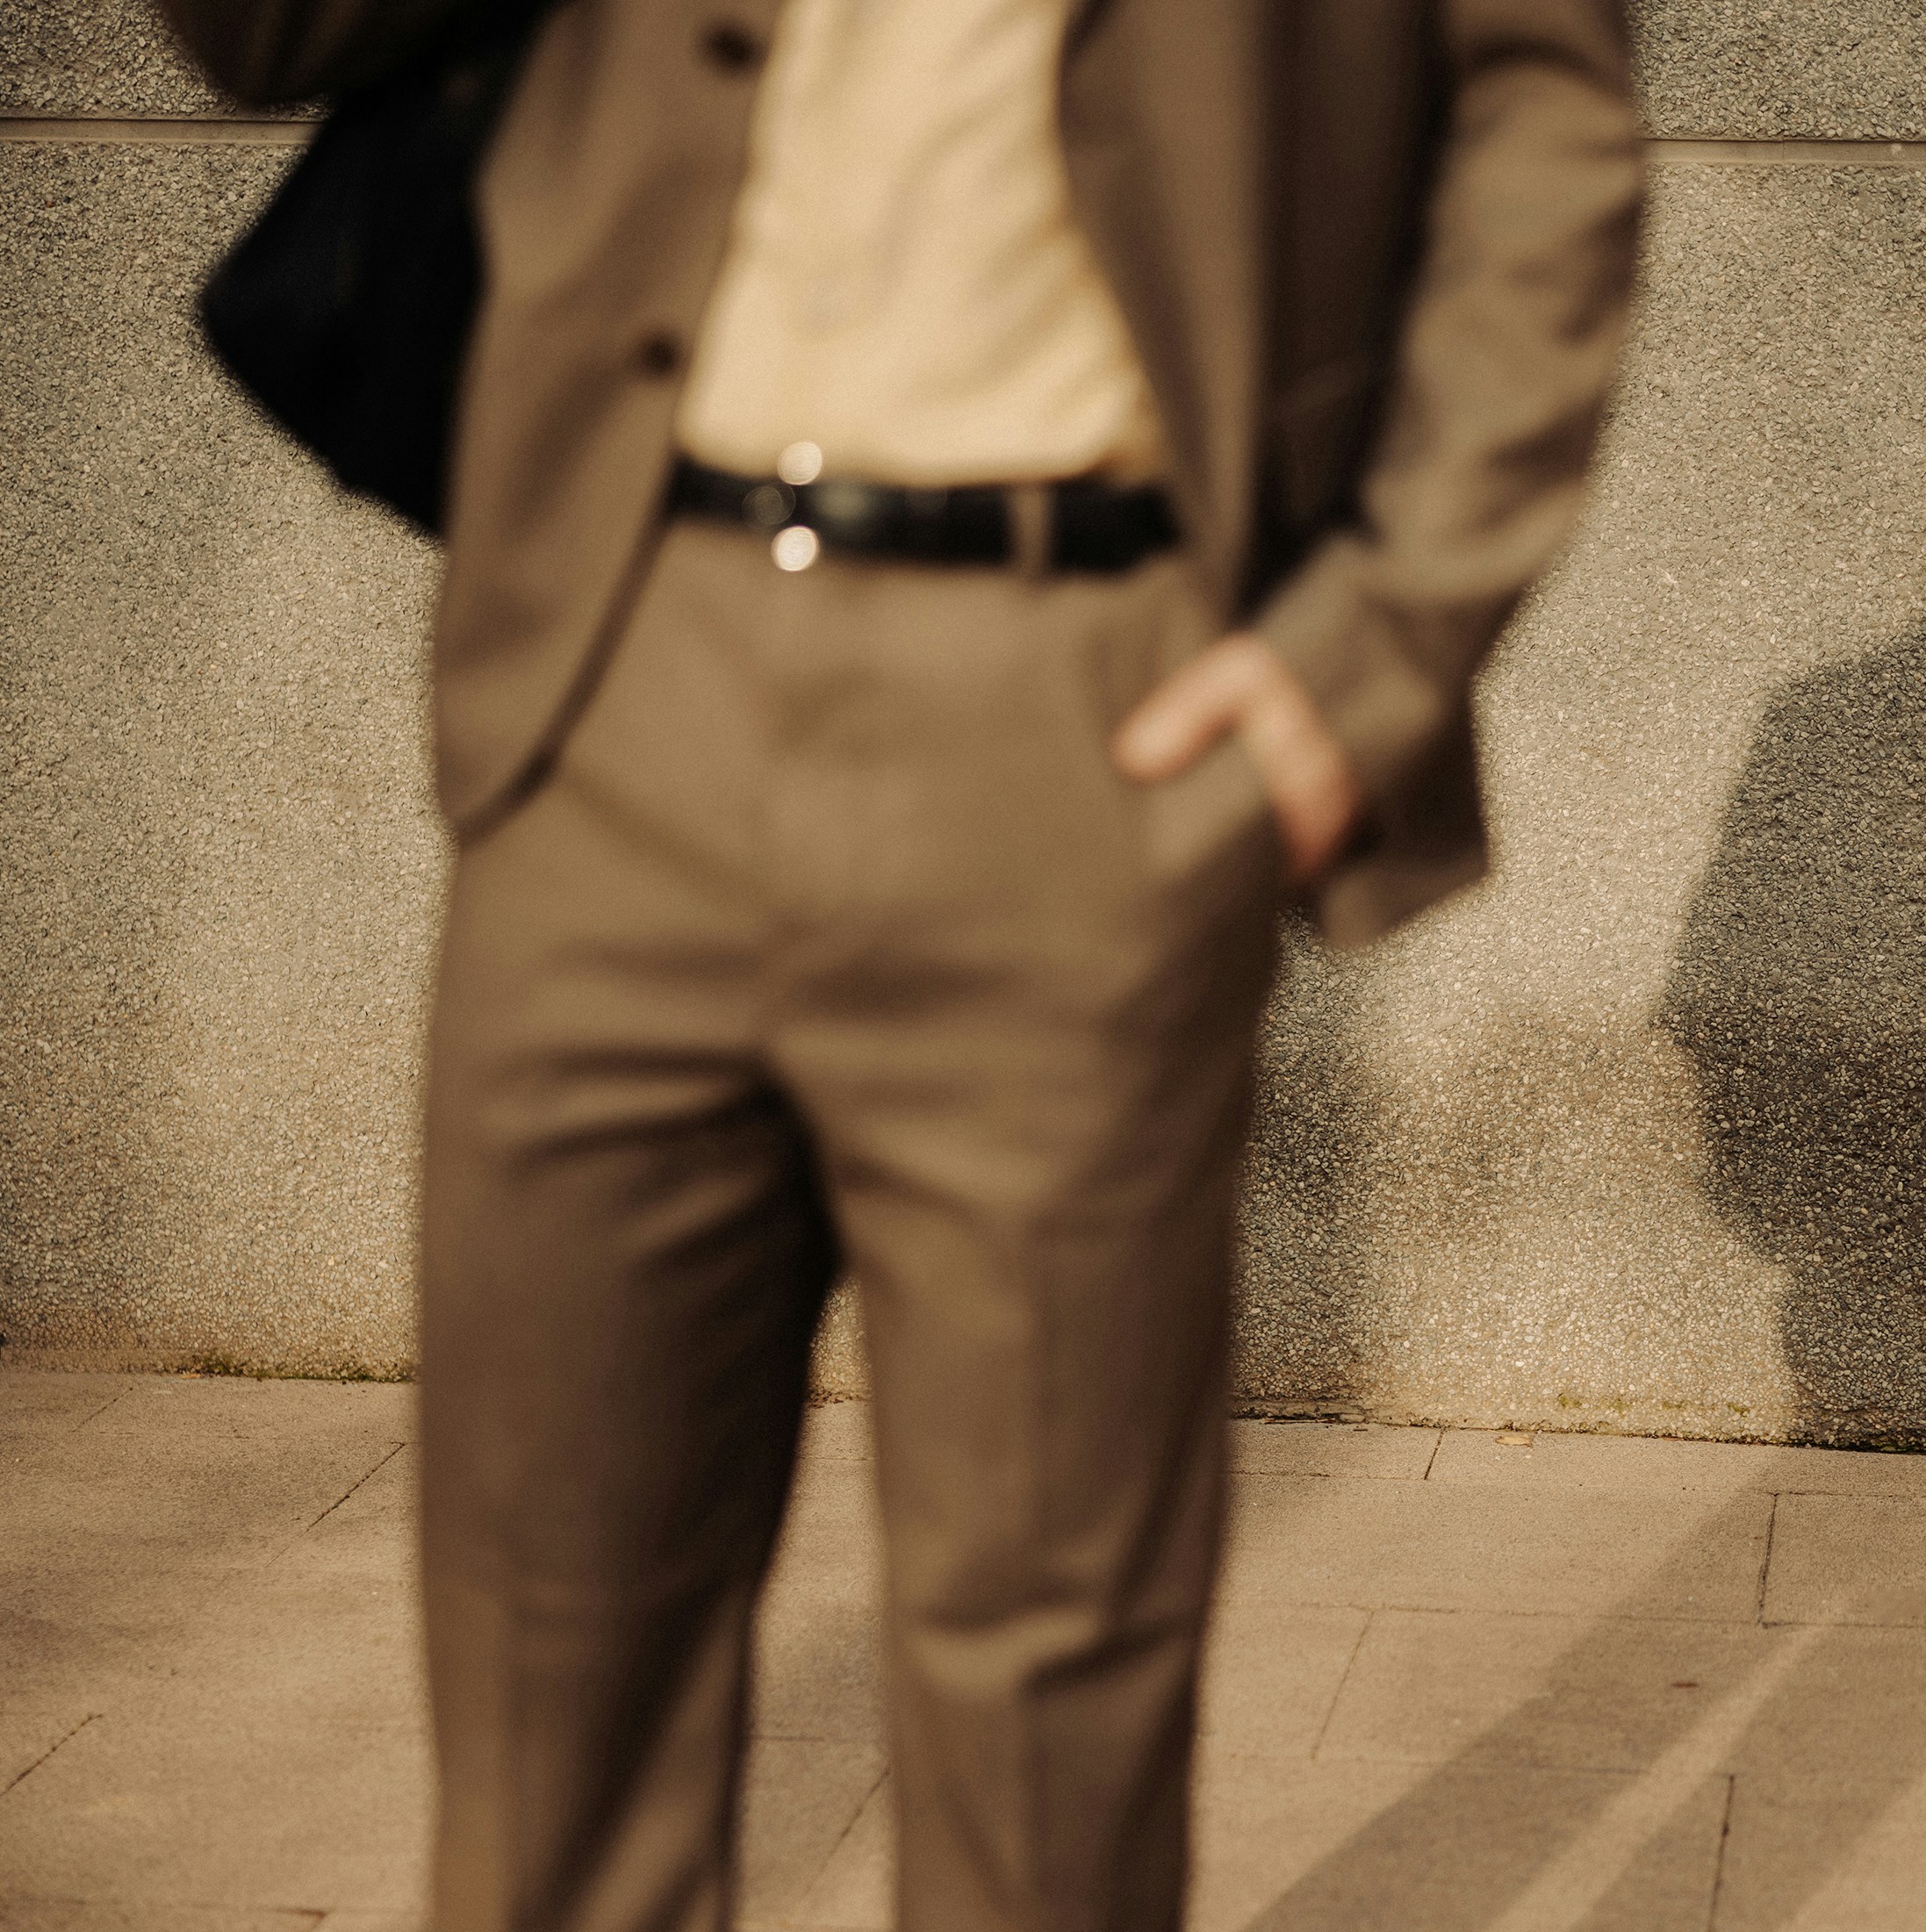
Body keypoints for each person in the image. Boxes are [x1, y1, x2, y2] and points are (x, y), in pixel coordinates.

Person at [155, 0, 1642, 1925]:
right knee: (550, 1664)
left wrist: (1364, 656)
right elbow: (276, 36)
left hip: (1082, 719)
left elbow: (1545, 122)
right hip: (619, 678)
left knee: (1043, 1709)